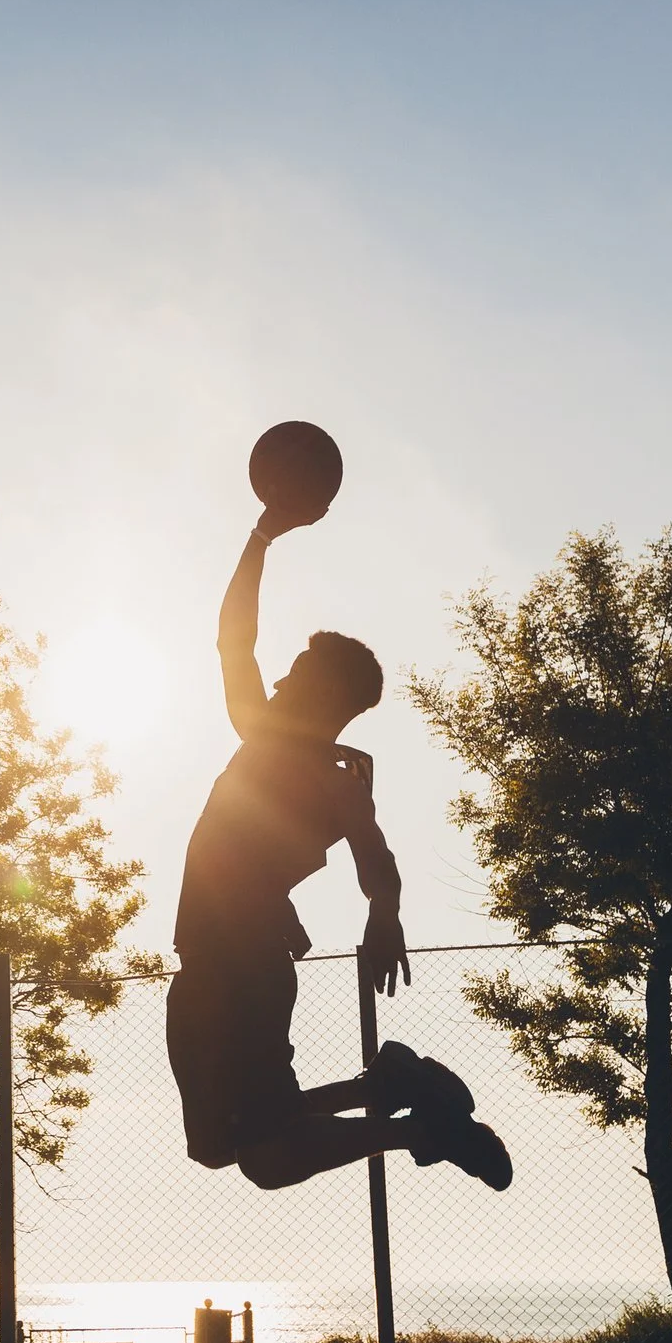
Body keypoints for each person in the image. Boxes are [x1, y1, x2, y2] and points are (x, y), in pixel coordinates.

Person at [168, 492, 512, 1191]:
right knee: (222, 1141)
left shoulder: (307, 763)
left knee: (262, 1152)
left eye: (297, 670)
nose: (284, 674)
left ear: (320, 695)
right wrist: (377, 908)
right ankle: (393, 1085)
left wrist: (264, 533)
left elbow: (234, 638)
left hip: (242, 969)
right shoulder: (326, 768)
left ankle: (420, 1123)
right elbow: (363, 847)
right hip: (222, 959)